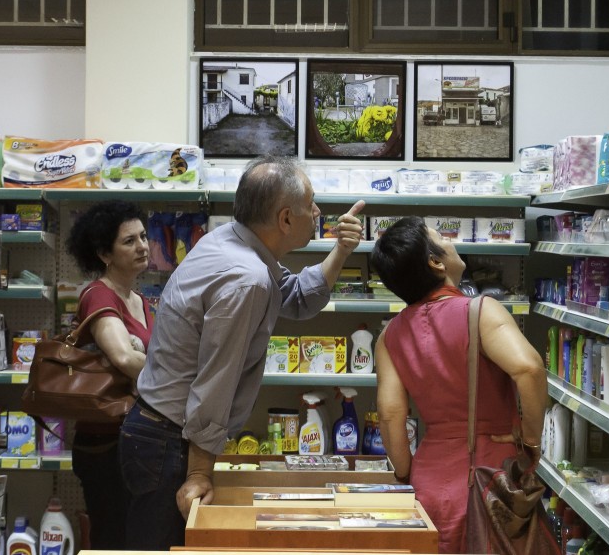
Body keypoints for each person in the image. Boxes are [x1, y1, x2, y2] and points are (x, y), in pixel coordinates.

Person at [120, 155, 365, 550]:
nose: (318, 212)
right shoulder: (246, 279)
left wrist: (341, 250)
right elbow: (216, 380)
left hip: (161, 431)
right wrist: (199, 473)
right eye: (311, 204)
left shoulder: (233, 242)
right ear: (285, 219)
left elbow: (296, 297)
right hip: (169, 441)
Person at [369, 216, 547, 553]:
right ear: (436, 263)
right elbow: (529, 369)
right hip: (490, 478)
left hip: (428, 481)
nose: (451, 242)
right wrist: (530, 440)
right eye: (442, 239)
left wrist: (406, 472)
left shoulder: (389, 336)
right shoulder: (481, 312)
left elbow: (390, 415)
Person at [65, 200, 153, 550]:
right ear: (104, 254)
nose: (142, 246)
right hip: (105, 443)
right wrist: (175, 377)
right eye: (129, 241)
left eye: (143, 236)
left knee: (134, 537)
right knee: (112, 539)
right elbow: (122, 357)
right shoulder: (99, 295)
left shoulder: (139, 300)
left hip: (134, 436)